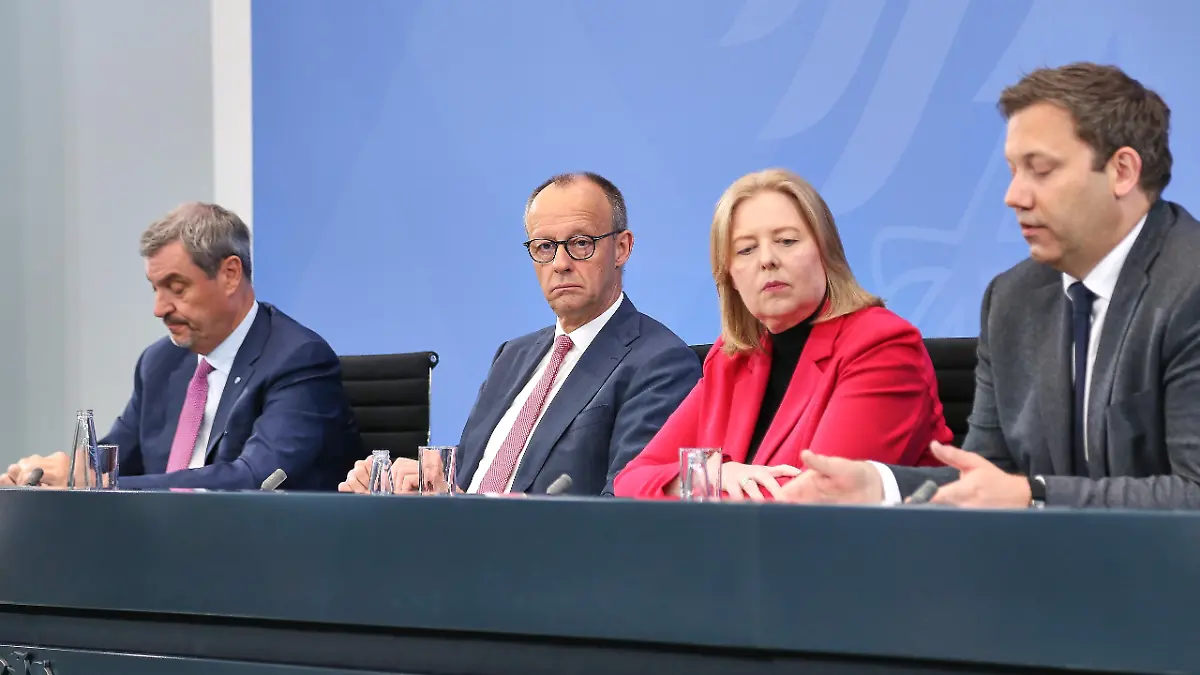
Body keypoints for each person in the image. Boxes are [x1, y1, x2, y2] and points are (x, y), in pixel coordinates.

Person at [780, 62, 1200, 509]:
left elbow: (1193, 490)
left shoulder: (1188, 287)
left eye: (1041, 170)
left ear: (1122, 171)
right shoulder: (1012, 300)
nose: (1014, 196)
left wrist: (1034, 496)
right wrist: (880, 486)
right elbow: (988, 477)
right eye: (1013, 170)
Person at [339, 172, 701, 495]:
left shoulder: (660, 363)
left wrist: (485, 515)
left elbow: (627, 508)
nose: (560, 264)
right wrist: (419, 486)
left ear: (622, 248)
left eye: (580, 243)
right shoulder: (512, 355)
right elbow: (467, 483)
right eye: (544, 247)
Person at [613, 168, 951, 500]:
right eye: (746, 249)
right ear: (729, 275)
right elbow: (631, 480)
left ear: (825, 252)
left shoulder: (881, 345)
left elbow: (816, 499)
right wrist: (712, 476)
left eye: (787, 241)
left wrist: (695, 487)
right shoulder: (732, 358)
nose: (767, 260)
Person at [2, 202, 361, 491]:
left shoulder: (297, 360)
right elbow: (112, 462)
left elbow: (253, 479)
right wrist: (58, 474)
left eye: (177, 288)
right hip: (161, 545)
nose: (159, 309)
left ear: (230, 274)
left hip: (265, 549)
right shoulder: (160, 362)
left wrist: (100, 484)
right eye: (155, 288)